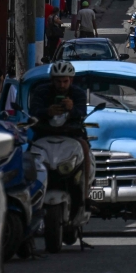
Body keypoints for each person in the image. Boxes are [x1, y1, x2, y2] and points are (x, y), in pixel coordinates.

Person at [29, 61, 92, 191]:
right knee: (28, 155)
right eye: (58, 81)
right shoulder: (41, 91)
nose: (62, 85)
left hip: (72, 135)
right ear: (52, 80)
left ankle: (85, 194)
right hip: (44, 134)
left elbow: (82, 114)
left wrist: (71, 109)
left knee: (85, 149)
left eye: (65, 81)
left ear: (71, 80)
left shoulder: (78, 93)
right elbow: (33, 112)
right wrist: (48, 112)